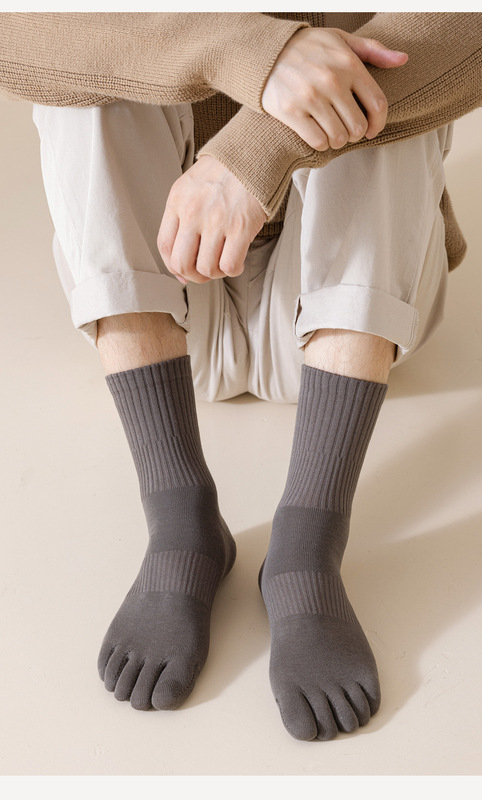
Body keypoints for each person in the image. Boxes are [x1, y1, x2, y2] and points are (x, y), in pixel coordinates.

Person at [1, 11, 481, 742]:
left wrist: (257, 149)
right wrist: (259, 54)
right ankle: (180, 521)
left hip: (344, 333)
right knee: (83, 76)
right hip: (172, 311)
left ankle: (308, 542)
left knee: (375, 70)